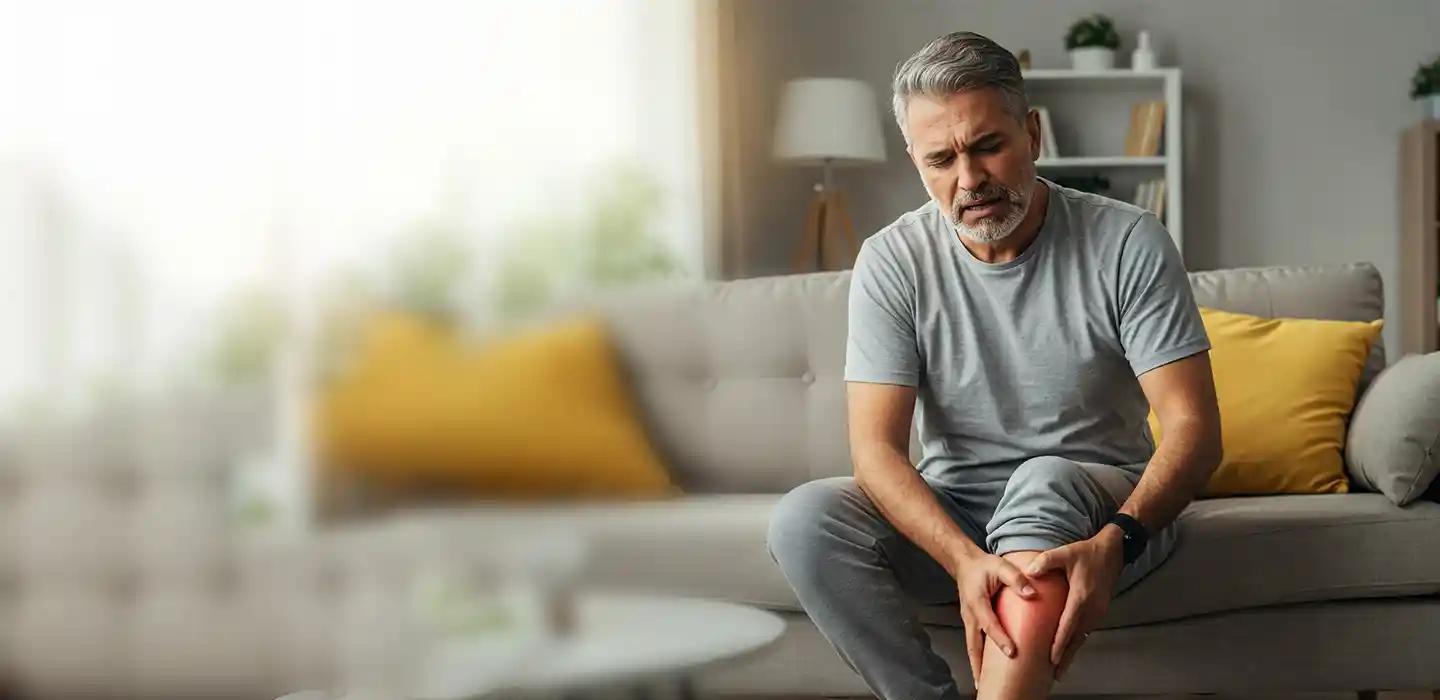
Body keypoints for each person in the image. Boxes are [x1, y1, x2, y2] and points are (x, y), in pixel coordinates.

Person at [767, 31, 1224, 700]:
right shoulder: (893, 261)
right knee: (804, 518)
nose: (969, 179)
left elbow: (1194, 429)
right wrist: (963, 560)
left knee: (1043, 480)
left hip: (1102, 518)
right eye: (941, 159)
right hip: (961, 516)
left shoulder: (1129, 241)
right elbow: (876, 452)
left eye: (988, 146)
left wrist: (1119, 538)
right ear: (915, 163)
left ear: (1032, 133)